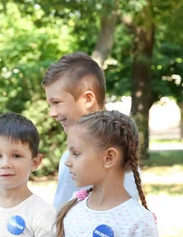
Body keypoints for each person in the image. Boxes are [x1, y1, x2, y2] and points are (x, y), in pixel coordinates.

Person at [42, 52, 139, 209]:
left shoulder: (113, 158)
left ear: (87, 99)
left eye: (57, 102)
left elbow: (124, 214)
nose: (52, 113)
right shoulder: (68, 158)